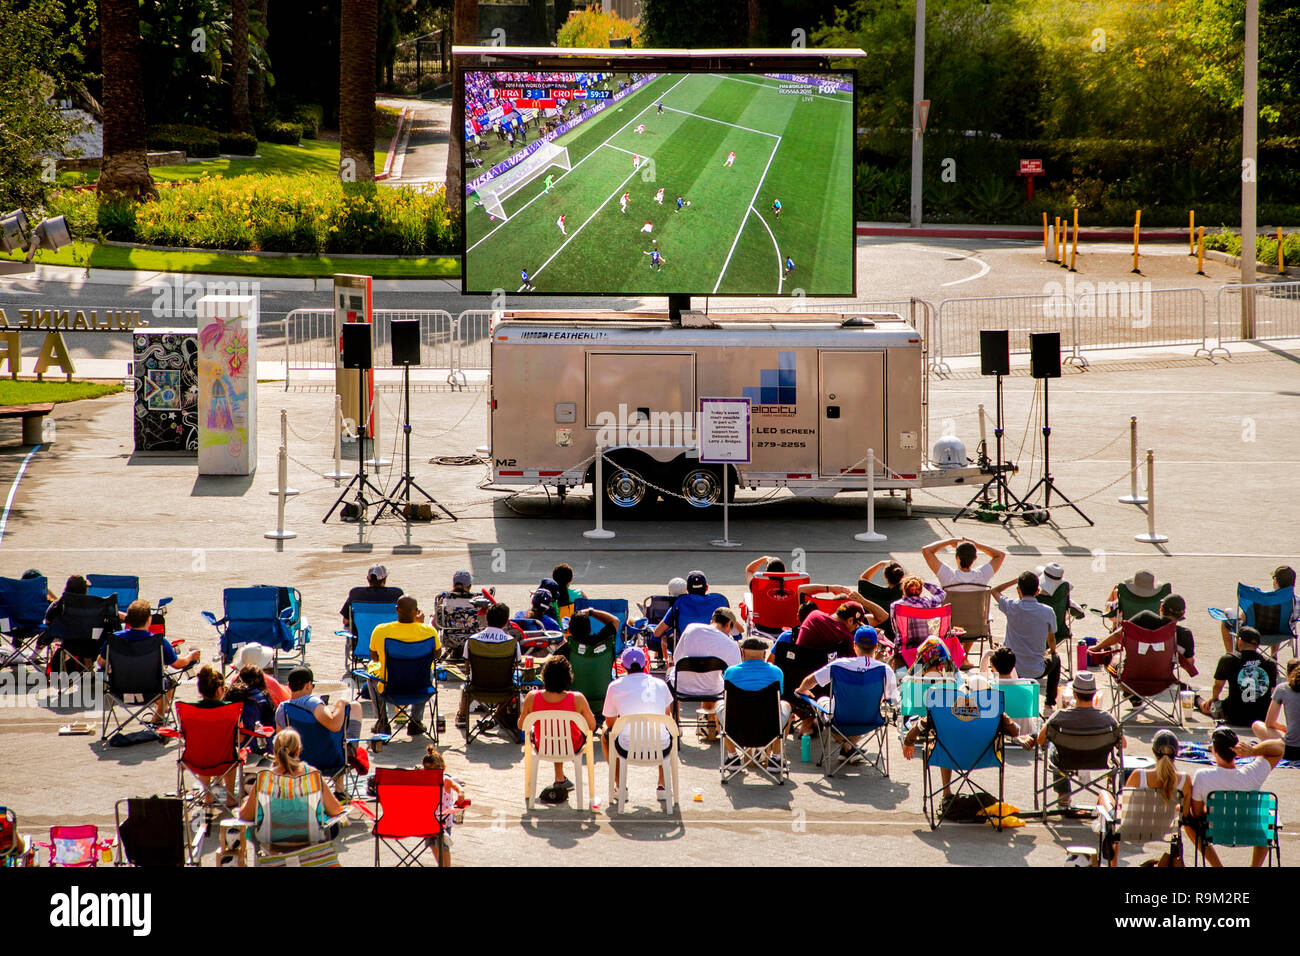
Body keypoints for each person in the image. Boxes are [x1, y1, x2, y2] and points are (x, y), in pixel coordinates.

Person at [1184, 727, 1285, 866]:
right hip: (1251, 833)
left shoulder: (1203, 776)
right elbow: (1280, 747)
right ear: (1237, 751)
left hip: (1216, 832)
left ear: (1214, 751)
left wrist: (1216, 811)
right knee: (1267, 816)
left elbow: (1197, 813)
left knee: (1188, 822)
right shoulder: (1252, 774)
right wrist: (1253, 751)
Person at [236, 728, 347, 849]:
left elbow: (245, 816)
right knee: (332, 826)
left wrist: (245, 802)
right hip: (310, 843)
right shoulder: (313, 776)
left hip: (273, 846)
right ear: (299, 750)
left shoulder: (264, 779)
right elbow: (335, 810)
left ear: (275, 751)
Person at [1096, 730, 1190, 867]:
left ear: (1153, 751)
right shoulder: (1185, 780)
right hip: (1166, 831)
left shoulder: (1139, 775)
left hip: (1132, 829)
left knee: (1104, 795)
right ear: (1176, 754)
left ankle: (1113, 864)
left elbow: (1123, 810)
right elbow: (1185, 815)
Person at [97, 599, 200, 724]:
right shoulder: (159, 641)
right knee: (170, 682)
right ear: (149, 620)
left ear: (128, 619)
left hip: (119, 690)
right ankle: (159, 716)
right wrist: (190, 656)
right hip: (151, 691)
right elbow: (178, 664)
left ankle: (159, 713)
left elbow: (101, 662)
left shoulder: (114, 639)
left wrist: (108, 666)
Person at [1033, 672, 1120, 811]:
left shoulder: (1060, 716)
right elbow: (1123, 744)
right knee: (1115, 759)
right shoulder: (1107, 718)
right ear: (1094, 695)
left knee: (1053, 747)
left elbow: (1040, 739)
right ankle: (1108, 795)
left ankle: (1064, 796)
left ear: (1074, 694)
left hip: (1066, 759)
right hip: (1098, 759)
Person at [795, 625, 898, 740]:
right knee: (864, 708)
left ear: (854, 645)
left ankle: (847, 747)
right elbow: (892, 699)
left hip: (839, 722)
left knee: (822, 700)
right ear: (876, 646)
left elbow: (811, 680)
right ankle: (848, 748)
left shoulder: (839, 665)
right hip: (870, 721)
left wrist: (802, 689)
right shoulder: (885, 670)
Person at [519, 656, 597, 804]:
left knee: (551, 733)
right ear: (568, 678)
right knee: (564, 735)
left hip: (543, 745)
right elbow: (592, 726)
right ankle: (560, 779)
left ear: (544, 676)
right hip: (571, 746)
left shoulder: (532, 697)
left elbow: (521, 725)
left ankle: (559, 778)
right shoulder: (577, 698)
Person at [604, 647, 675, 794]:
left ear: (623, 666)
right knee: (664, 729)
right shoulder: (660, 684)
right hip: (661, 747)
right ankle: (662, 784)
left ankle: (620, 785)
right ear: (645, 663)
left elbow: (610, 723)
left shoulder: (614, 686)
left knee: (606, 733)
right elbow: (666, 714)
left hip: (627, 747)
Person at [367, 596, 440, 738]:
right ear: (417, 612)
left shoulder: (380, 630)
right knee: (428, 672)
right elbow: (436, 655)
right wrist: (419, 625)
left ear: (396, 610)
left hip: (391, 688)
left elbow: (374, 657)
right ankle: (416, 722)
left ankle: (382, 722)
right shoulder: (429, 632)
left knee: (371, 676)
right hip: (420, 688)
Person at [667, 607, 744, 741]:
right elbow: (736, 674)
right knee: (718, 678)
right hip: (712, 690)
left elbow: (677, 658)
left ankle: (676, 722)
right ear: (728, 624)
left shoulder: (691, 628)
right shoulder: (731, 645)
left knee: (671, 672)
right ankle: (714, 725)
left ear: (711, 621)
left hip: (681, 687)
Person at [718, 636, 791, 768]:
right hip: (769, 729)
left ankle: (732, 756)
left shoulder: (730, 672)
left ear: (743, 653)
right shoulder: (776, 672)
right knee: (786, 705)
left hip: (737, 728)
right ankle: (776, 758)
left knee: (720, 704)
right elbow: (779, 696)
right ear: (764, 654)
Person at [993, 571, 1061, 709]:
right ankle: (1048, 704)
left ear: (1019, 590)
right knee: (1056, 659)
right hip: (1035, 670)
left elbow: (994, 590)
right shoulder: (1048, 611)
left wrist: (1015, 580)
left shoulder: (1012, 606)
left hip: (1011, 668)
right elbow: (1052, 640)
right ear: (1038, 591)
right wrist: (1051, 651)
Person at [1091, 593, 1197, 677]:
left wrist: (1096, 648)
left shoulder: (1144, 618)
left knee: (1111, 657)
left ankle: (1132, 695)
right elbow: (1189, 664)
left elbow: (1117, 636)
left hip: (1131, 677)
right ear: (1182, 615)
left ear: (1161, 607)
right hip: (1163, 680)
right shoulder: (1185, 635)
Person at [1195, 626, 1277, 726]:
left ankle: (1197, 700)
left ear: (1239, 641)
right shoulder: (1270, 663)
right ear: (1257, 645)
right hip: (1261, 716)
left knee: (1207, 706)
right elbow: (1272, 690)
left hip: (1234, 715)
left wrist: (1214, 699)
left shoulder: (1228, 659)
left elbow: (1218, 685)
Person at [455, 603, 520, 728]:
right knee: (518, 676)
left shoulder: (472, 641)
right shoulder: (512, 642)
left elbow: (467, 667)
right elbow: (516, 664)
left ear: (486, 619)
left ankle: (462, 716)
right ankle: (495, 716)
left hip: (477, 688)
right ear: (506, 622)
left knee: (467, 684)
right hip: (505, 689)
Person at [188, 665, 242, 806]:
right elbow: (240, 738)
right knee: (231, 753)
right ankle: (229, 798)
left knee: (204, 751)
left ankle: (207, 796)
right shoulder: (231, 709)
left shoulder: (189, 710)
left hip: (196, 760)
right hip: (224, 760)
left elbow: (184, 735)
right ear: (219, 690)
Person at [1218, 566, 1298, 653]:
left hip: (1252, 634)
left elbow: (1243, 618)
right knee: (1280, 620)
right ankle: (1273, 657)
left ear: (1275, 580)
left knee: (1227, 614)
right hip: (1282, 635)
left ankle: (1231, 655)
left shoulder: (1259, 599)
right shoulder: (1296, 602)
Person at [653, 570, 729, 647]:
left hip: (687, 653)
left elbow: (657, 633)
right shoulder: (719, 601)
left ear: (687, 589)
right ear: (706, 587)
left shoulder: (679, 604)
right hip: (715, 651)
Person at [798, 594, 884, 659]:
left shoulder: (814, 615)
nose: (856, 628)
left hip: (797, 664)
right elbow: (861, 662)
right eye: (857, 625)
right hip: (814, 673)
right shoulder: (845, 638)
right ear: (850, 620)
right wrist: (877, 656)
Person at [983, 645, 1040, 736]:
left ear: (992, 666)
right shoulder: (1027, 687)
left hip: (1001, 739)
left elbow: (981, 679)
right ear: (1013, 665)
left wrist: (986, 655)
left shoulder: (990, 691)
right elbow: (1013, 679)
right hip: (1026, 736)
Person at [420, 746, 463, 867]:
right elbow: (458, 787)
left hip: (435, 822)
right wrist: (461, 793)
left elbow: (457, 787)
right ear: (444, 768)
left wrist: (460, 792)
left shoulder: (444, 780)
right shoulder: (439, 779)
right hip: (437, 821)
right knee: (439, 846)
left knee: (437, 845)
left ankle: (444, 865)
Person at [274, 667, 347, 735]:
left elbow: (280, 739)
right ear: (308, 685)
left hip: (296, 747)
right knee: (355, 705)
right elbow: (334, 726)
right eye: (313, 685)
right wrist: (341, 703)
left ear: (289, 686)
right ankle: (350, 746)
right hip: (322, 747)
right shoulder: (312, 702)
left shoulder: (282, 708)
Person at [889, 575, 947, 661]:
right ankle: (918, 671)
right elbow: (942, 594)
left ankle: (904, 673)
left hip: (904, 652)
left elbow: (895, 629)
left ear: (904, 590)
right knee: (917, 669)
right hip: (925, 650)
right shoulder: (927, 602)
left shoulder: (895, 606)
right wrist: (924, 584)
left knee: (900, 670)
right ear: (921, 590)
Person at [1253, 658, 1300, 760]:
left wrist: (1282, 727)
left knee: (1257, 725)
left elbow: (1269, 722)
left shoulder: (1283, 689)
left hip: (1290, 749)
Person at [226, 663, 276, 756]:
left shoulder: (230, 695)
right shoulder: (262, 699)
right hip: (258, 746)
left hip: (231, 744)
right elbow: (271, 724)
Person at [922, 536, 1006, 588]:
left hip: (952, 617)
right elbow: (1000, 555)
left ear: (957, 557)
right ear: (975, 558)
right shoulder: (982, 575)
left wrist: (950, 541)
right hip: (976, 617)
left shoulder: (947, 575)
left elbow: (926, 550)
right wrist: (977, 545)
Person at [339, 564, 402, 631]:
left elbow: (345, 621)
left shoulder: (356, 595)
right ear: (384, 580)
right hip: (389, 640)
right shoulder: (396, 594)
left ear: (368, 579)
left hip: (363, 641)